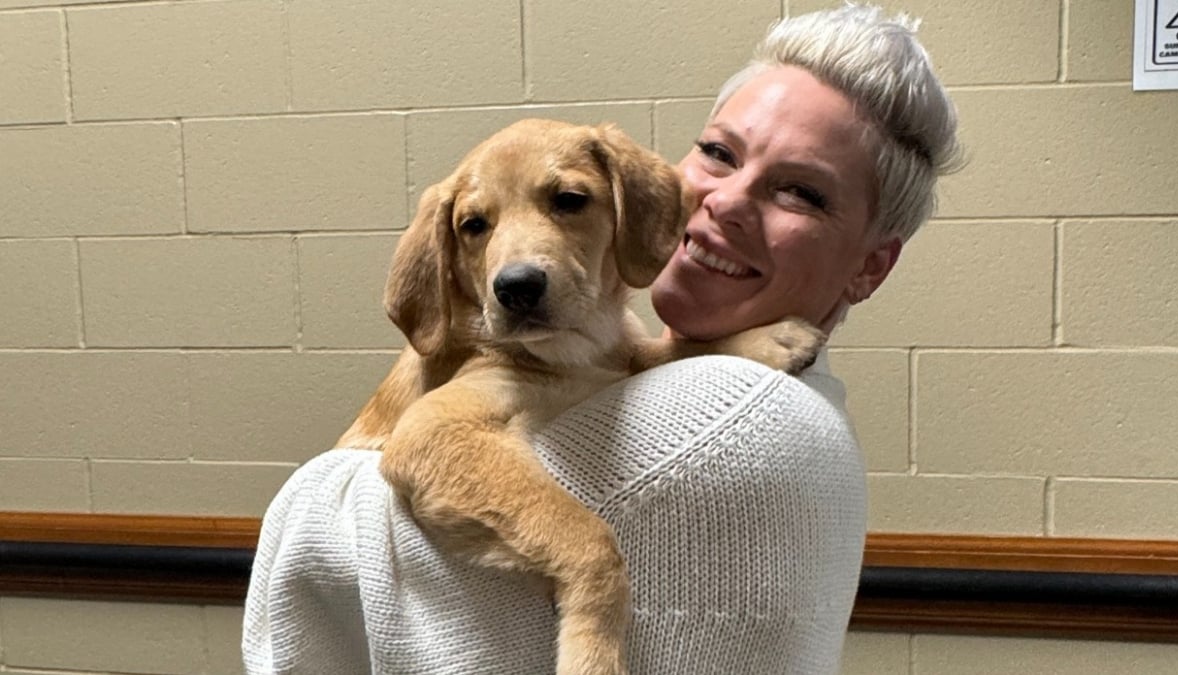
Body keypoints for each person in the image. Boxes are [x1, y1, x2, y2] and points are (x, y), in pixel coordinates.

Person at [242, 4, 962, 674]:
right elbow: (434, 443)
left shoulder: (735, 423)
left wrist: (589, 571)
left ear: (871, 264)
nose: (723, 202)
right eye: (717, 151)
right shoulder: (691, 365)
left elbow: (335, 528)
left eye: (801, 192)